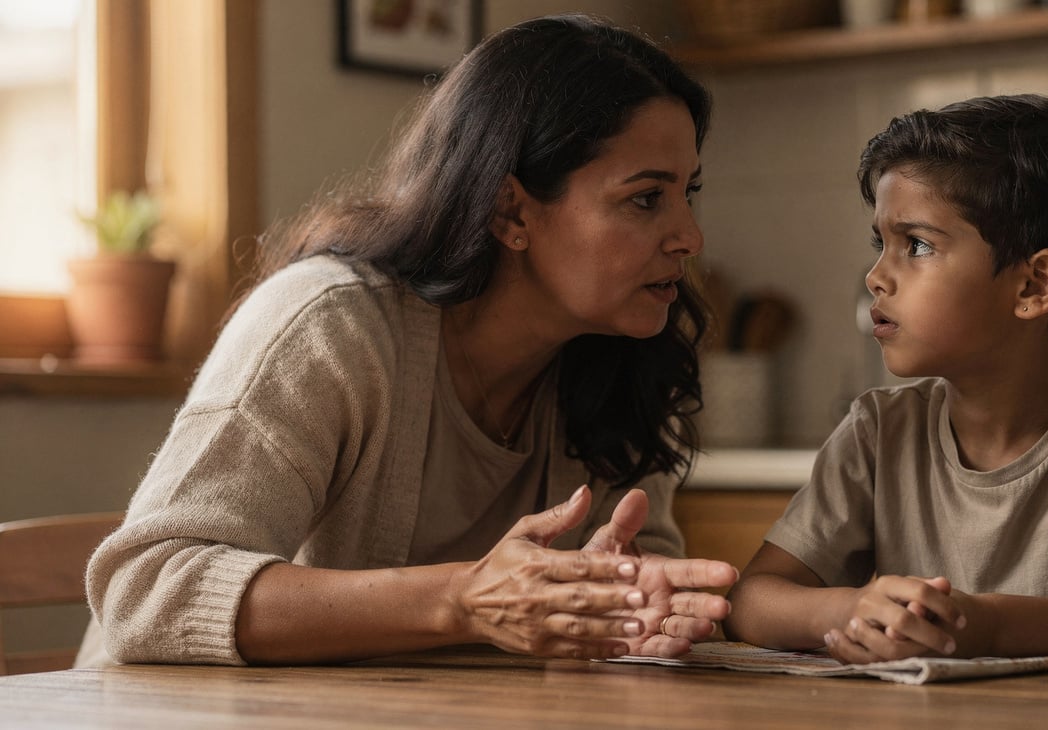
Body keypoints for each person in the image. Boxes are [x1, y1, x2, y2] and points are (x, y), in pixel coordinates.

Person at [78, 13, 737, 668]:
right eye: (646, 199)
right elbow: (148, 592)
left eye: (689, 194)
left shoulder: (624, 363)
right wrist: (460, 600)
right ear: (511, 211)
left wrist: (633, 615)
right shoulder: (329, 327)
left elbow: (640, 580)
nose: (691, 236)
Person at [723, 94, 1048, 663]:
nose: (876, 276)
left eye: (917, 245)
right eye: (882, 244)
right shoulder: (878, 431)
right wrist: (848, 610)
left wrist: (993, 625)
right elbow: (751, 600)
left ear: (1033, 286)